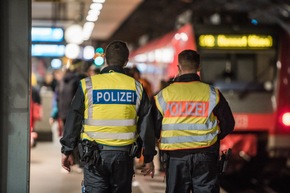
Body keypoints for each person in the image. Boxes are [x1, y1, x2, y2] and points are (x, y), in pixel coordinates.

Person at [60, 40, 156, 193]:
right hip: (124, 156)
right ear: (126, 61)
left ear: (105, 59)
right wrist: (149, 157)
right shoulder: (136, 87)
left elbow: (74, 119)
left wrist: (67, 150)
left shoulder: (88, 85)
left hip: (94, 155)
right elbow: (146, 125)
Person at [153, 50, 235, 193]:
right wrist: (214, 137)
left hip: (176, 157)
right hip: (206, 155)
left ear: (179, 68)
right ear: (199, 68)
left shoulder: (164, 95)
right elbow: (228, 123)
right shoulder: (212, 93)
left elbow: (154, 125)